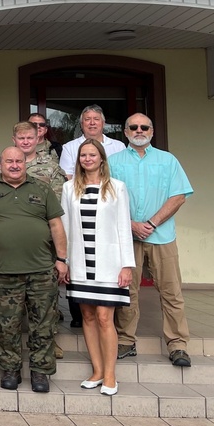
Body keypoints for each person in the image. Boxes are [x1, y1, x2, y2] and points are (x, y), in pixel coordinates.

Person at [0, 147, 69, 393]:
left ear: (25, 163)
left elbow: (56, 225)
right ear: (1, 163)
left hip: (41, 270)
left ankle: (40, 372)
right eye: (9, 161)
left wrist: (61, 259)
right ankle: (10, 368)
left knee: (44, 323)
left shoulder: (42, 188)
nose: (15, 165)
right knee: (6, 324)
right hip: (3, 271)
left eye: (19, 161)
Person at [109, 114, 194, 367]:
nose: (139, 130)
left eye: (144, 127)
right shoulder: (113, 162)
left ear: (152, 131)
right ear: (125, 132)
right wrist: (131, 225)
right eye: (133, 127)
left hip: (163, 236)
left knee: (171, 292)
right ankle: (125, 340)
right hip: (126, 237)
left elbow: (179, 196)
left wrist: (152, 223)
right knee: (126, 291)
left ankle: (177, 344)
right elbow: (108, 198)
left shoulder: (168, 161)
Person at [62, 139, 134, 396]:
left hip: (109, 265)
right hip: (81, 264)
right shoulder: (69, 188)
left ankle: (111, 375)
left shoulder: (117, 187)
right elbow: (66, 228)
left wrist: (127, 265)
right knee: (88, 317)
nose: (88, 158)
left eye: (92, 154)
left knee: (105, 318)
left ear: (102, 158)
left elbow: (124, 227)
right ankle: (96, 370)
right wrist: (66, 262)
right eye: (83, 155)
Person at [59, 105, 126, 180]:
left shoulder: (119, 147)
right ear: (81, 124)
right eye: (87, 119)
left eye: (96, 119)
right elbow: (67, 178)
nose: (92, 123)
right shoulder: (69, 147)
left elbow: (125, 175)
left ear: (103, 123)